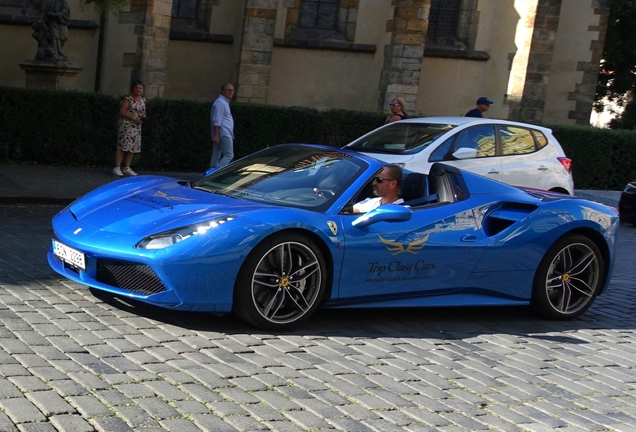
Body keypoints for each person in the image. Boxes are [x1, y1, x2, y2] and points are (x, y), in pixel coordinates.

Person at [113, 81, 146, 176]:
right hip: (126, 126)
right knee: (123, 146)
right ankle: (117, 167)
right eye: (137, 88)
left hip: (137, 127)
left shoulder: (143, 100)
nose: (138, 90)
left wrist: (143, 117)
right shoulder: (128, 99)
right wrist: (133, 118)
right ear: (133, 89)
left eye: (140, 88)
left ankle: (127, 167)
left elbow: (144, 111)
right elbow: (122, 112)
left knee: (132, 147)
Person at [210, 83, 235, 168]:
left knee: (216, 155)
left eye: (232, 90)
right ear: (222, 91)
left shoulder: (223, 102)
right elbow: (217, 120)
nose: (231, 92)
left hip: (222, 133)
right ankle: (216, 173)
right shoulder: (220, 102)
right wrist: (216, 135)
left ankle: (211, 174)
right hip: (224, 133)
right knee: (229, 155)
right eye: (228, 90)